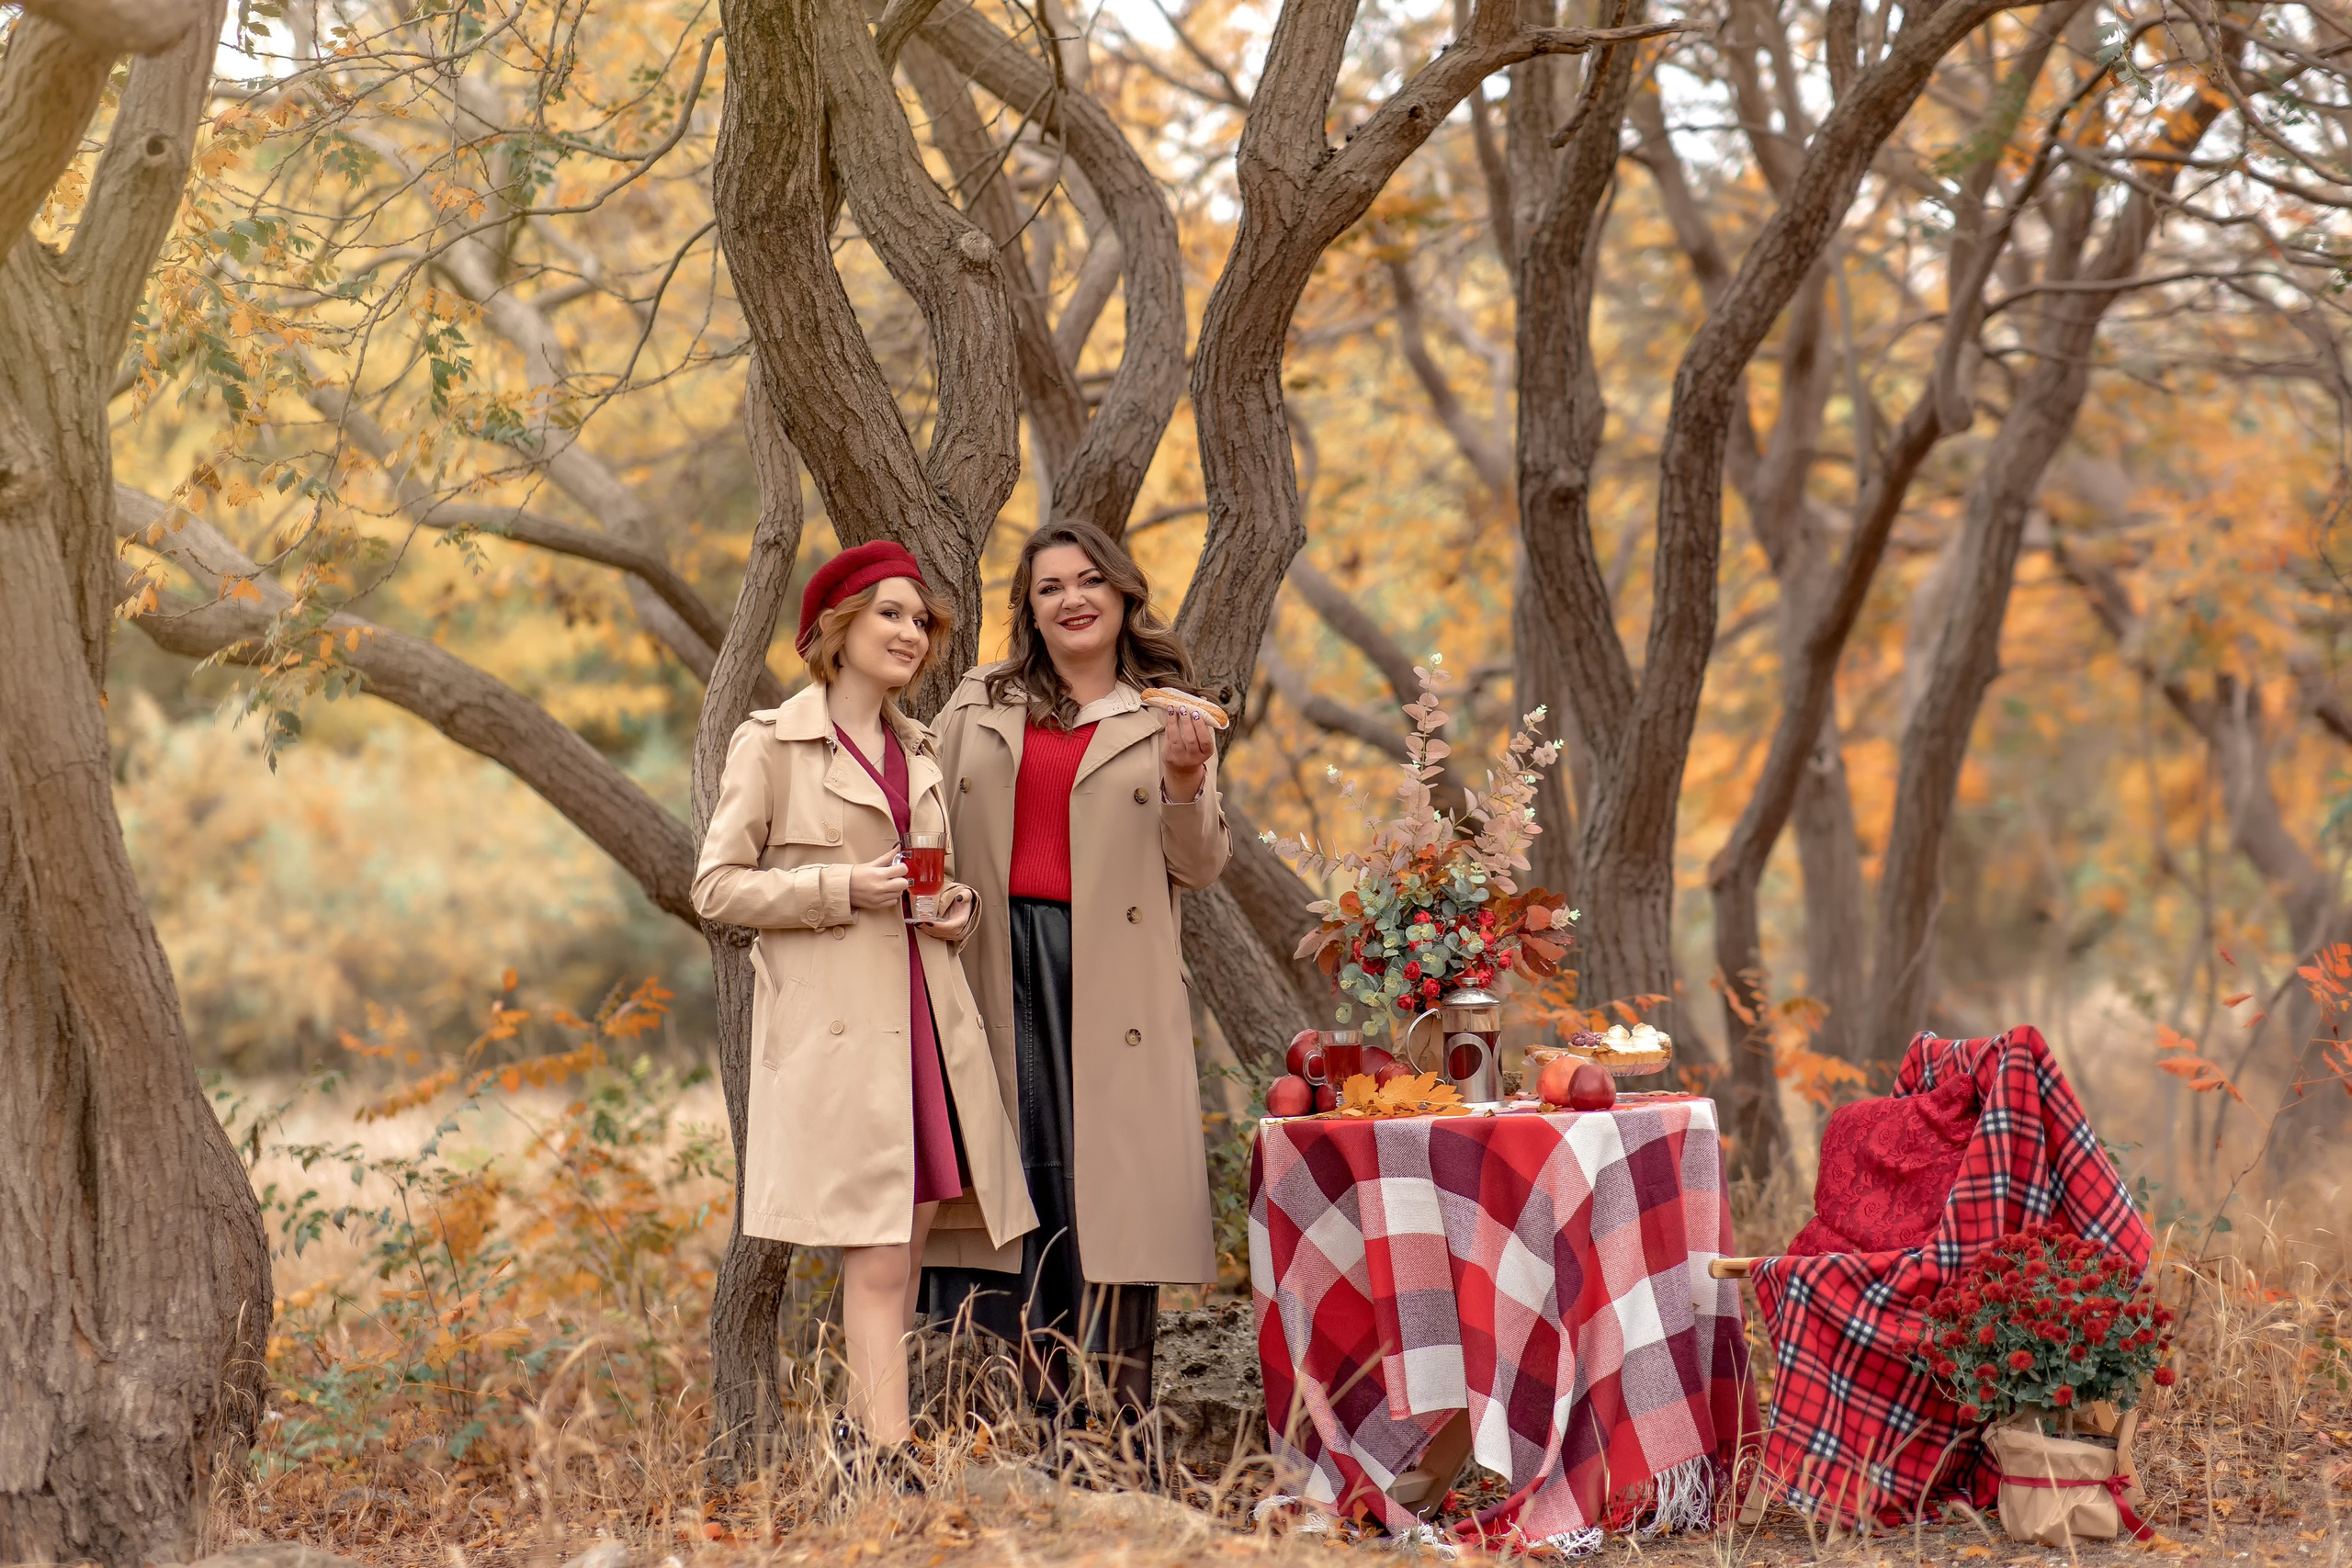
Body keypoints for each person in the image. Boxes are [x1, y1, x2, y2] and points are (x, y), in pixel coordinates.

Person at [692, 540, 1035, 1485]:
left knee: (908, 1242)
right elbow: (717, 889)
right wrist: (842, 887)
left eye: (922, 620)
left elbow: (937, 889)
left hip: (924, 1026)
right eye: (891, 613)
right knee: (880, 1256)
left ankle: (866, 1453)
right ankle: (888, 1459)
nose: (912, 633)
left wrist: (945, 906)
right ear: (835, 629)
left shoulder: (919, 752)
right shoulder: (771, 744)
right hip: (842, 1042)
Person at [921, 520, 1230, 1426]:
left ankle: (1112, 1445)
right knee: (1008, 1194)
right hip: (987, 967)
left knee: (1104, 1209)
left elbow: (1200, 865)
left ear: (1124, 593)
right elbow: (921, 816)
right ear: (1030, 607)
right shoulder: (979, 701)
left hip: (1109, 982)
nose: (1071, 599)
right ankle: (1004, 1435)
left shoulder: (1170, 715)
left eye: (1089, 580)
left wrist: (1181, 780)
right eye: (1049, 586)